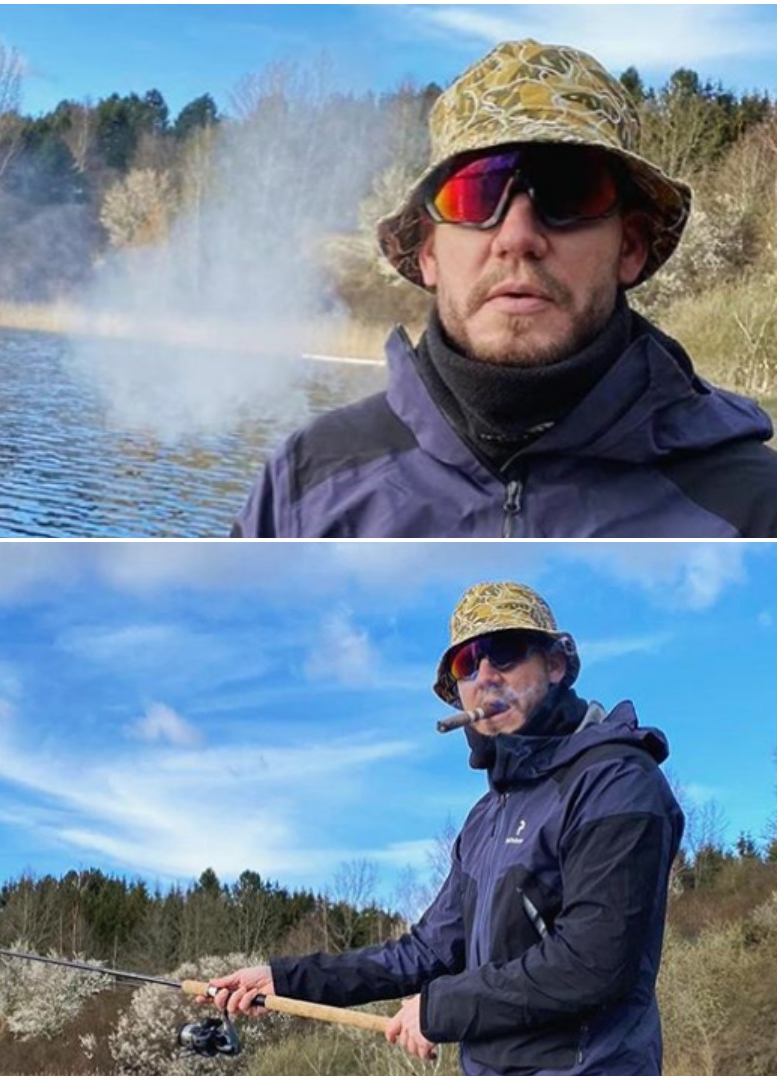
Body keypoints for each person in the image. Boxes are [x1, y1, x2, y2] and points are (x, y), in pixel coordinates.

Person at [234, 40, 776, 538]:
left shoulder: (753, 504)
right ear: (428, 252)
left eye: (570, 193)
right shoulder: (305, 483)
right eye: (474, 197)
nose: (517, 238)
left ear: (629, 247)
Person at [208, 582, 685, 1075]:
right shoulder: (486, 818)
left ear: (556, 665)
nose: (485, 676)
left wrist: (439, 1009)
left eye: (504, 652)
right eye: (466, 665)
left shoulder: (617, 781)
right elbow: (426, 951)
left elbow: (592, 961)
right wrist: (284, 980)